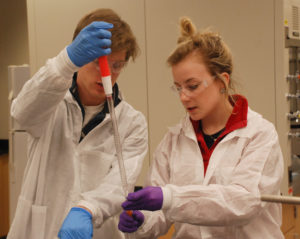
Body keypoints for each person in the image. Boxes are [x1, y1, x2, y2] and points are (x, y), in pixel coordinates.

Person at [118, 17, 284, 238]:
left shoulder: (260, 135)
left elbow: (243, 202)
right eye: (178, 88)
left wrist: (169, 197)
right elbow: (160, 216)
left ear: (222, 81)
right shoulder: (174, 140)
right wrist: (141, 221)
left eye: (192, 86)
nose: (183, 97)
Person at [7, 8, 148, 239]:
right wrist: (65, 61)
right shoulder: (50, 102)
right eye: (97, 62)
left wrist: (87, 208)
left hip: (96, 231)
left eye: (117, 65)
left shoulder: (132, 122)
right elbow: (22, 114)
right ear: (81, 56)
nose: (107, 74)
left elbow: (120, 184)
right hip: (41, 231)